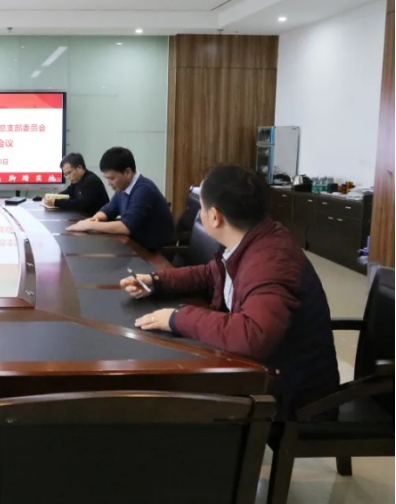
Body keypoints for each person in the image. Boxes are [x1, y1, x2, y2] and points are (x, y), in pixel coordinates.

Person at [120, 164, 339, 417]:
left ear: (214, 217)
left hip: (291, 400)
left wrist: (177, 317)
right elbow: (209, 273)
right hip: (266, 376)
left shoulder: (270, 260)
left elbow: (252, 335)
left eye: (201, 208)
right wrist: (156, 280)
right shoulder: (255, 238)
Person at [67, 147, 174, 250]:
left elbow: (126, 227)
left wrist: (90, 225)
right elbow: (108, 210)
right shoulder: (123, 188)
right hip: (136, 245)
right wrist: (96, 218)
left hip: (156, 252)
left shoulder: (143, 190)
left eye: (112, 178)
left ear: (127, 172)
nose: (109, 184)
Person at [44, 152, 109, 218]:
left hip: (99, 221)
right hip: (86, 218)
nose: (68, 177)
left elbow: (80, 204)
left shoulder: (91, 180)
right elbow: (68, 192)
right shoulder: (77, 180)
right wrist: (53, 197)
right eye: (66, 175)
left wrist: (56, 202)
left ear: (79, 168)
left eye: (69, 173)